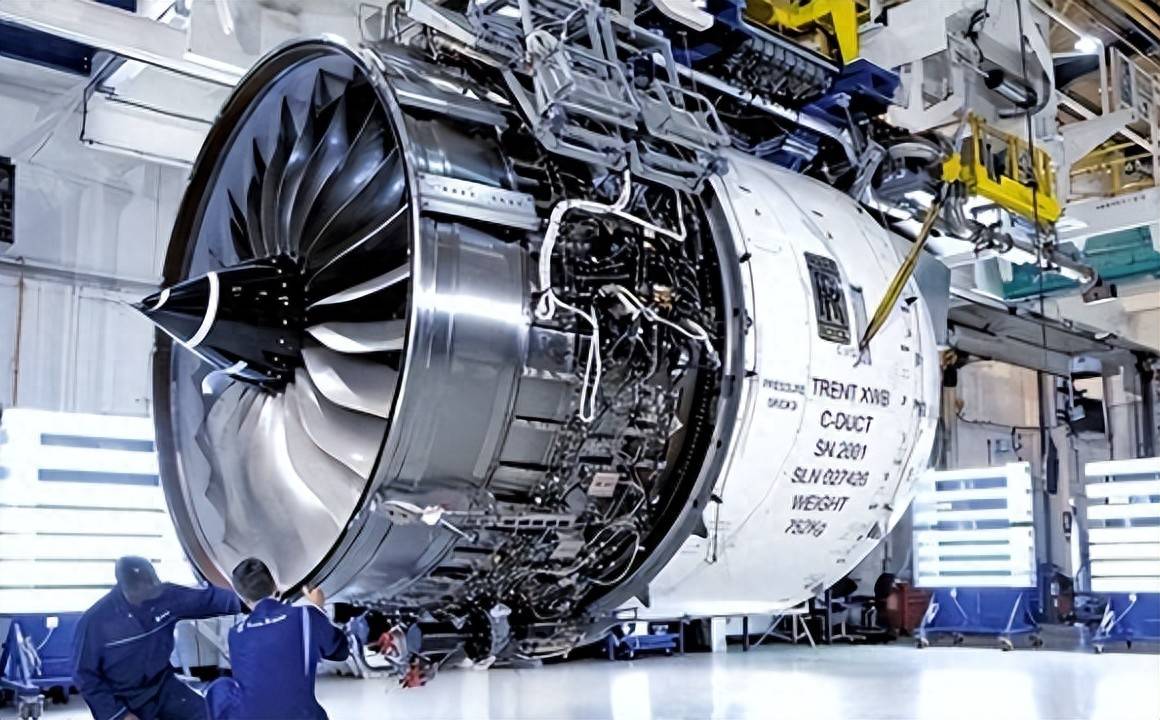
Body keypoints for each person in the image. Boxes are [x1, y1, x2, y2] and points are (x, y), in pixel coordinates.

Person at [73, 556, 242, 720]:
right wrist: (119, 714)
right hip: (123, 697)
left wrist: (248, 599)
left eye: (152, 589)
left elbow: (208, 600)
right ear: (124, 588)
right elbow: (85, 677)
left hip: (163, 685)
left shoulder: (166, 596)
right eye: (142, 592)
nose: (149, 596)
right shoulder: (95, 622)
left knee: (206, 715)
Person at [206, 558, 349, 720]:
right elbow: (341, 652)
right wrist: (318, 609)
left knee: (221, 687)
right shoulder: (305, 616)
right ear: (275, 586)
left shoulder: (236, 633)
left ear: (243, 598)